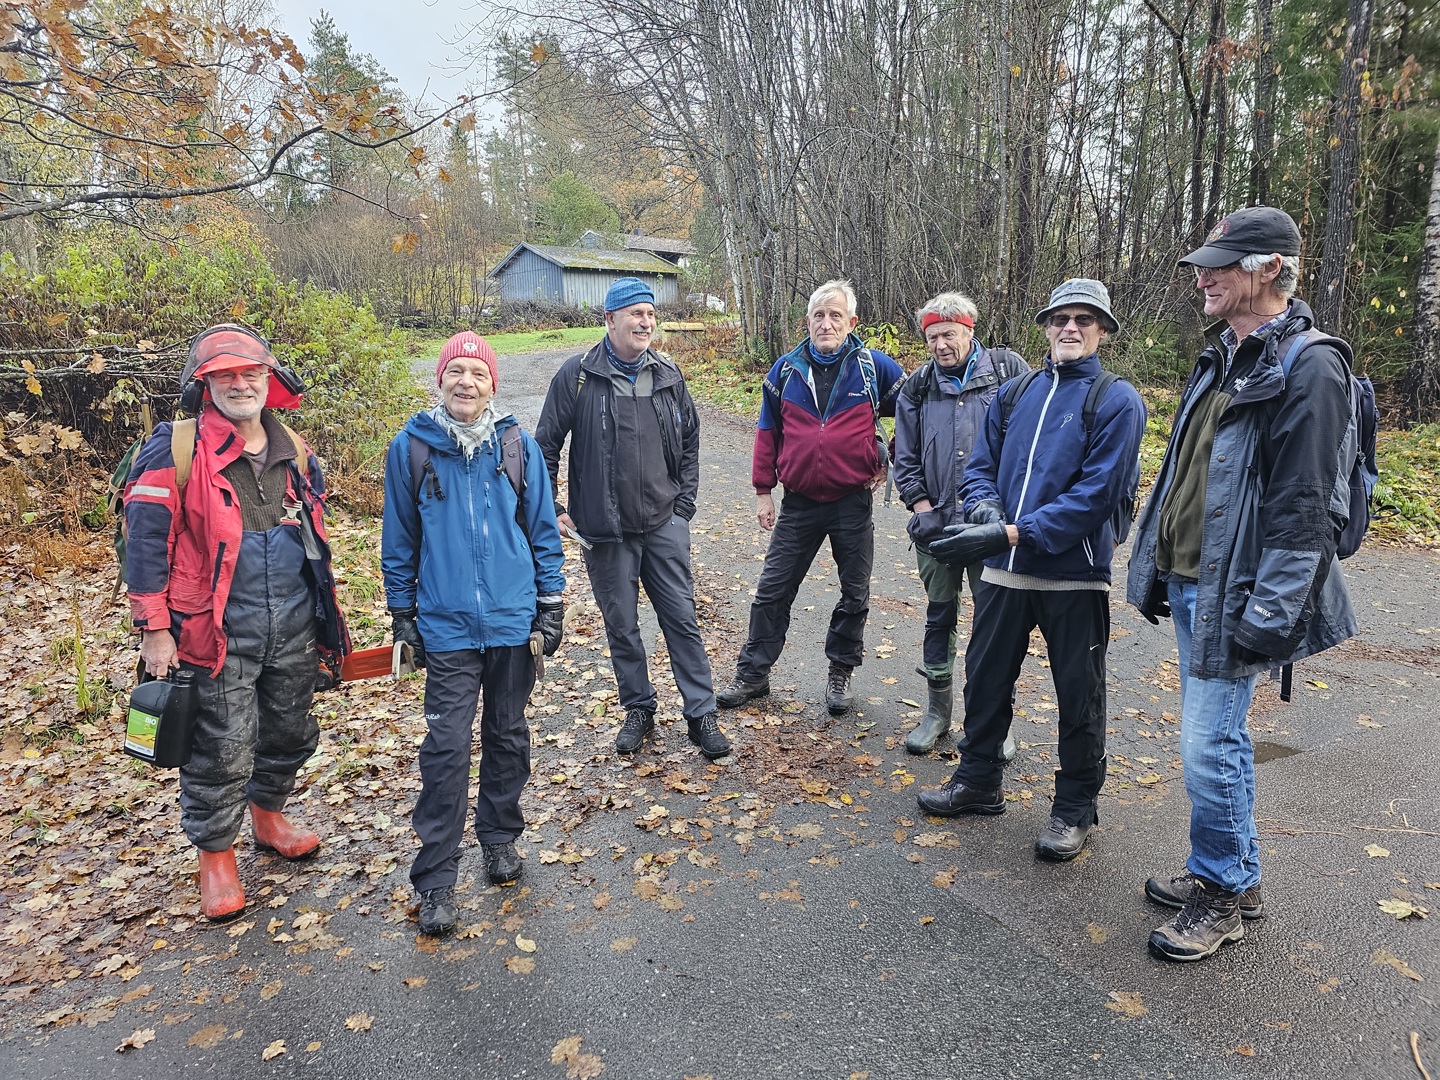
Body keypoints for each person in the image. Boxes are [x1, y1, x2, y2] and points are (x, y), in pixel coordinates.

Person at [1127, 207, 1358, 961]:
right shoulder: (1225, 353)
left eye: (1220, 263)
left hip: (1245, 595)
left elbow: (1303, 509)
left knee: (1207, 745)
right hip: (1199, 581)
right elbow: (1186, 473)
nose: (1203, 275)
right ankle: (1236, 875)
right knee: (1214, 737)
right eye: (1203, 263)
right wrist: (1159, 564)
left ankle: (1221, 893)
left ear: (1267, 268)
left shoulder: (1311, 364)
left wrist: (1271, 610)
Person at [915, 279, 1146, 862]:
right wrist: (985, 508)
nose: (1071, 328)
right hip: (1003, 571)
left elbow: (1098, 495)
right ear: (1044, 325)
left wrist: (1016, 532)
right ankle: (978, 781)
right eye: (1061, 318)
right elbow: (980, 466)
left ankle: (1074, 808)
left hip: (1074, 574)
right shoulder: (1016, 393)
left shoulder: (1116, 401)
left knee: (1079, 695)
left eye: (1084, 320)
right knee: (985, 679)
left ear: (1103, 332)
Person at [124, 324, 348, 921]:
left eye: (251, 374)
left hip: (293, 620)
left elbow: (314, 540)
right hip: (214, 625)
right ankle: (216, 856)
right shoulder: (173, 450)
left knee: (289, 731)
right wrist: (154, 627)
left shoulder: (295, 450)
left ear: (270, 382)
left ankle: (268, 814)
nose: (241, 384)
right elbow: (144, 544)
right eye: (226, 375)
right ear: (205, 385)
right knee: (220, 745)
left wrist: (327, 619)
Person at [382, 331, 567, 937]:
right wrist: (403, 613)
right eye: (455, 371)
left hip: (513, 620)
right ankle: (436, 877)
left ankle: (499, 838)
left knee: (508, 733)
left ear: (493, 384)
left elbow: (543, 528)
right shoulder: (411, 449)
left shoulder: (517, 447)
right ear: (440, 379)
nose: (466, 381)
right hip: (446, 625)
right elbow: (400, 540)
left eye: (477, 373)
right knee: (446, 748)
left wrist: (551, 603)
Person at [534, 278, 731, 761]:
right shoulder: (576, 375)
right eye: (635, 314)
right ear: (609, 319)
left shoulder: (668, 373)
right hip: (603, 532)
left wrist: (683, 510)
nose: (646, 322)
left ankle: (700, 712)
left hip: (664, 523)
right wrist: (554, 510)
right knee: (622, 625)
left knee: (682, 620)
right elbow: (544, 449)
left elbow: (690, 442)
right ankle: (638, 709)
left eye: (650, 314)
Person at [715, 280, 905, 716]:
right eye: (819, 315)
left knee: (854, 593)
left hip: (851, 502)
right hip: (799, 502)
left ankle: (840, 671)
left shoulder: (874, 368)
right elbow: (767, 431)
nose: (826, 323)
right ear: (807, 321)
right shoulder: (785, 370)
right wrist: (764, 492)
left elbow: (912, 411)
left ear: (852, 322)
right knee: (772, 591)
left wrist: (887, 456)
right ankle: (753, 673)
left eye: (835, 315)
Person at [892, 291, 1030, 754]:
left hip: (989, 528)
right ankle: (937, 713)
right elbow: (904, 457)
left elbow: (1030, 446)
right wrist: (921, 509)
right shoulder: (916, 387)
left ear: (969, 331)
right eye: (932, 337)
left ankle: (994, 720)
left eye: (948, 334)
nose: (940, 344)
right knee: (939, 616)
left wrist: (1007, 515)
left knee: (995, 628)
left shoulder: (1008, 373)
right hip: (936, 529)